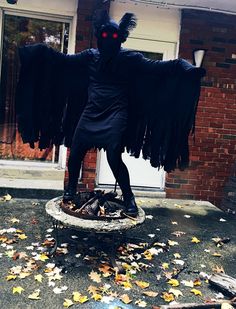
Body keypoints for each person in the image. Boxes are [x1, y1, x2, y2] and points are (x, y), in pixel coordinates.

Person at [16, 11, 205, 217]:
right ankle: (70, 189)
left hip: (116, 113)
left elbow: (161, 67)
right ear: (99, 36)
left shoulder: (130, 58)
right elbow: (63, 61)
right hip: (91, 112)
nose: (108, 41)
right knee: (77, 150)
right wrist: (40, 52)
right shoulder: (90, 56)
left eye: (113, 37)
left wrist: (187, 68)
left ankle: (129, 197)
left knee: (114, 156)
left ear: (121, 38)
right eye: (104, 36)